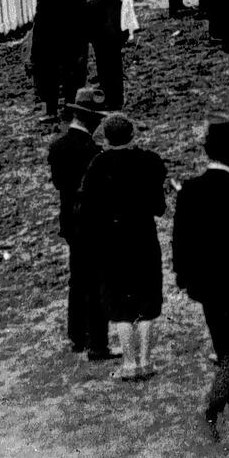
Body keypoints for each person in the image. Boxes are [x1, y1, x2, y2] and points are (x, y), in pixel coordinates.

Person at [173, 115, 229, 439]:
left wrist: (184, 278)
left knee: (222, 340)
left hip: (205, 285)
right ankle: (212, 406)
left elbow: (179, 239)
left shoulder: (189, 191)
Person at [78, 112, 167, 381]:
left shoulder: (97, 166)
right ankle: (146, 361)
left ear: (106, 137)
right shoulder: (149, 161)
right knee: (147, 301)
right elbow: (159, 208)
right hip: (143, 239)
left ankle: (129, 364)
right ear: (132, 135)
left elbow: (87, 210)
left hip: (112, 244)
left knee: (119, 304)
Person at [48, 86, 117, 360]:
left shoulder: (58, 146)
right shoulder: (93, 152)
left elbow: (58, 183)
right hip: (92, 223)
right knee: (96, 281)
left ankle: (77, 335)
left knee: (77, 280)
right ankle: (97, 343)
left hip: (70, 221)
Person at [31, 0, 89, 123]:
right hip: (72, 44)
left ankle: (51, 111)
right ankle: (70, 108)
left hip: (51, 45)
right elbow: (83, 24)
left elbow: (39, 26)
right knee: (71, 77)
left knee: (51, 78)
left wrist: (36, 50)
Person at [84, 0, 127, 110]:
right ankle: (114, 98)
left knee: (108, 67)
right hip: (112, 29)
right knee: (111, 66)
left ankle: (112, 100)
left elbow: (95, 4)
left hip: (106, 31)